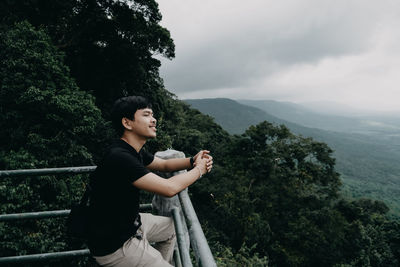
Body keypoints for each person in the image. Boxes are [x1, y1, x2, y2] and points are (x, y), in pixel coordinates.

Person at [87, 96, 213, 267]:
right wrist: (199, 170)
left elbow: (164, 164)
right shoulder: (120, 157)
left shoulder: (132, 150)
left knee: (174, 228)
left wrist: (192, 160)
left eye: (152, 115)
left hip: (129, 224)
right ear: (127, 123)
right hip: (115, 244)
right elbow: (169, 188)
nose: (153, 120)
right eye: (146, 115)